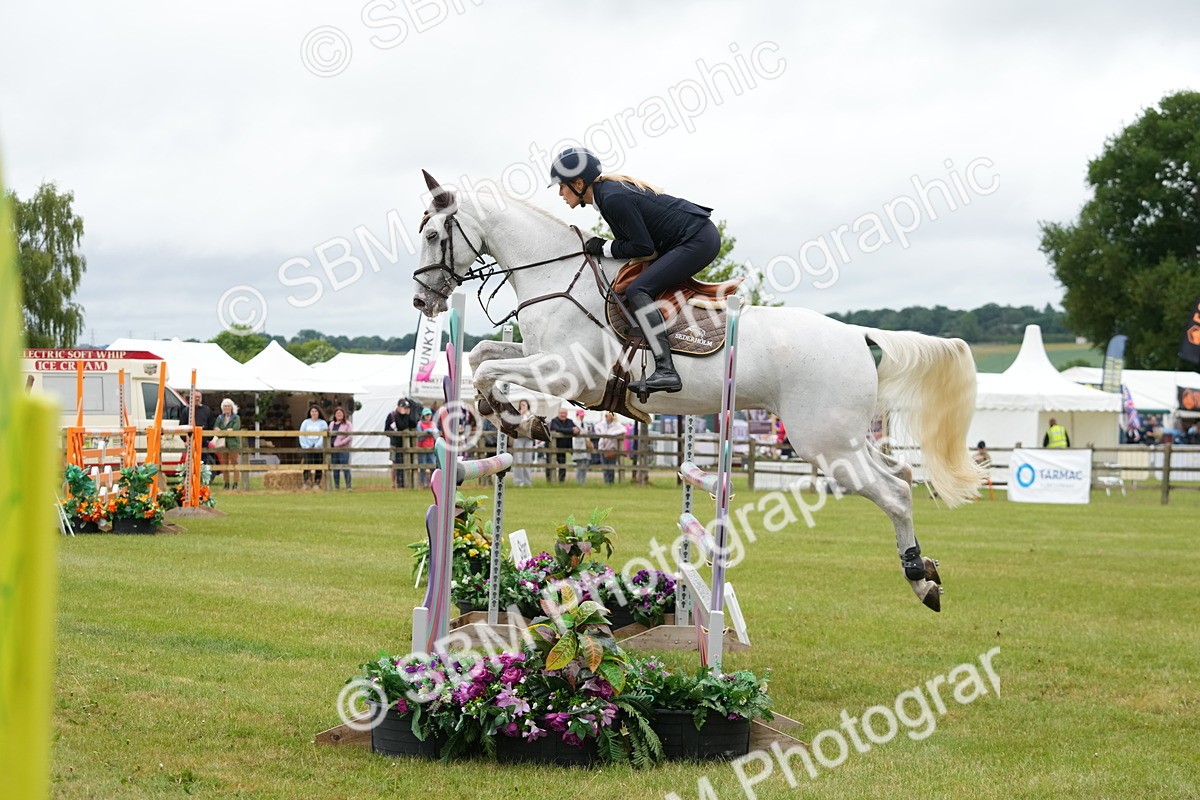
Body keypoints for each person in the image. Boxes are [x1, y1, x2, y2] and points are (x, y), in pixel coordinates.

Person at [549, 147, 718, 396]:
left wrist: (604, 247)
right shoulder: (606, 197)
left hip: (697, 240)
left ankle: (666, 370)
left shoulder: (612, 198)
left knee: (638, 288)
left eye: (561, 186)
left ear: (578, 183)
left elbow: (642, 247)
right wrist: (608, 248)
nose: (560, 193)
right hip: (689, 239)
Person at [384, 398, 414, 488]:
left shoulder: (406, 416)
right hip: (395, 443)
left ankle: (403, 482)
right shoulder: (392, 416)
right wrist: (392, 435)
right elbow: (386, 430)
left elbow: (411, 424)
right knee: (395, 463)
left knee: (404, 463)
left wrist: (407, 415)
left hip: (405, 444)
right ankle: (394, 483)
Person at [213, 398, 242, 490]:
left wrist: (222, 431)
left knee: (234, 463)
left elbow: (235, 429)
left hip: (233, 443)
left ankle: (236, 483)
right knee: (224, 463)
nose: (227, 408)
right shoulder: (220, 418)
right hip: (222, 443)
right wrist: (223, 431)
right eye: (225, 406)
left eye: (228, 406)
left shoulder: (236, 418)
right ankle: (226, 483)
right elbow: (216, 427)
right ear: (222, 408)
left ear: (232, 407)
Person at [299, 405, 328, 489]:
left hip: (318, 448)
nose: (314, 413)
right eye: (312, 411)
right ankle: (306, 482)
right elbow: (301, 434)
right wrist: (305, 446)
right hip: (307, 447)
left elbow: (324, 436)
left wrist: (318, 445)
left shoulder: (322, 423)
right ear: (310, 413)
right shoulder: (305, 422)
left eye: (316, 411)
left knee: (318, 465)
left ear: (319, 413)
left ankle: (317, 483)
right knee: (307, 465)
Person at [547, 407, 578, 483]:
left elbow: (577, 429)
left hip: (563, 448)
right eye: (561, 413)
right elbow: (558, 429)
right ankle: (550, 481)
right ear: (558, 414)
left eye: (564, 413)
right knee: (550, 465)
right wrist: (571, 430)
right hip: (552, 447)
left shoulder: (570, 421)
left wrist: (576, 430)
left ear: (567, 414)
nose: (563, 415)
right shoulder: (554, 421)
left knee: (562, 466)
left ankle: (561, 481)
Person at [595, 411, 627, 484]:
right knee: (604, 466)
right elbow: (596, 427)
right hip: (603, 447)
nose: (606, 417)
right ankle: (606, 481)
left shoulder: (616, 425)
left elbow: (624, 429)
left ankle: (611, 481)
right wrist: (601, 434)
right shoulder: (602, 424)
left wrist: (613, 434)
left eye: (608, 416)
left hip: (611, 448)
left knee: (611, 466)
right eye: (605, 416)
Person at [511, 399, 534, 487]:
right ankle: (518, 481)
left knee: (527, 460)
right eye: (521, 405)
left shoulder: (531, 415)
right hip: (519, 438)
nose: (523, 406)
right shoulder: (517, 415)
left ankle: (528, 481)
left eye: (524, 405)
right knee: (518, 460)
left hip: (528, 439)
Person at [329, 406, 353, 490]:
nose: (339, 415)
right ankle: (336, 486)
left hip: (343, 449)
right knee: (335, 467)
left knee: (345, 466)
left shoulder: (347, 424)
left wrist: (340, 443)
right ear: (334, 415)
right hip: (333, 449)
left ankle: (348, 486)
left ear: (343, 414)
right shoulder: (332, 424)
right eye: (337, 413)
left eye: (340, 413)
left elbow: (350, 436)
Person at [416, 408, 437, 488]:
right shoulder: (420, 424)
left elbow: (436, 434)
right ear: (423, 416)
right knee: (422, 467)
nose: (428, 416)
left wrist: (434, 431)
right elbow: (419, 437)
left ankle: (432, 483)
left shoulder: (433, 424)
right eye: (426, 415)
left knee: (433, 467)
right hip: (422, 448)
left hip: (431, 448)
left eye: (429, 415)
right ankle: (423, 483)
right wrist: (426, 433)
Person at [572, 409, 593, 485]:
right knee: (579, 466)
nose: (582, 417)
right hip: (578, 446)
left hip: (585, 447)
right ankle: (579, 482)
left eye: (583, 416)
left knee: (584, 466)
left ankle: (583, 482)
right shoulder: (575, 423)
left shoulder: (585, 424)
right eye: (580, 415)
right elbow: (581, 431)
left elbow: (586, 434)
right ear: (577, 415)